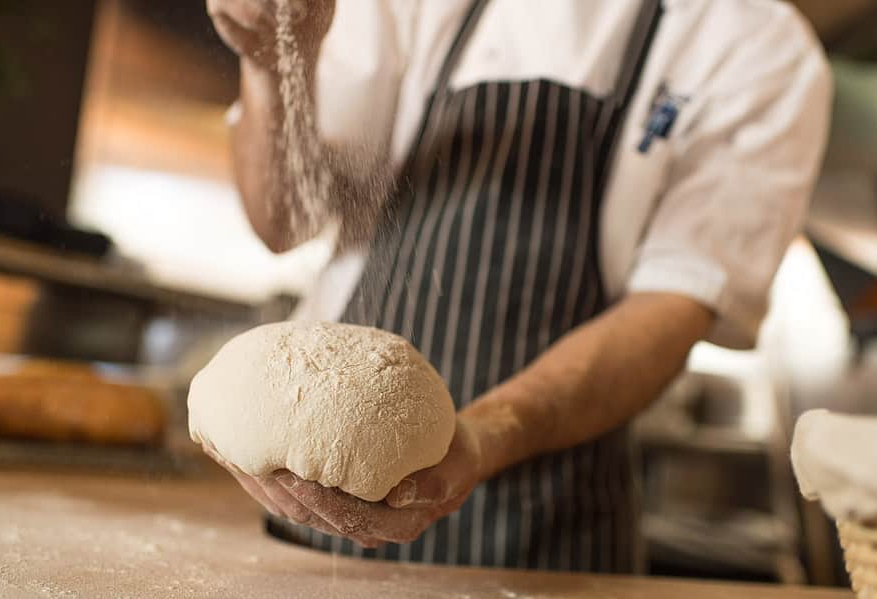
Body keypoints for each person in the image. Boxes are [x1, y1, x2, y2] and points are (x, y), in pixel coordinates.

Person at [204, 0, 831, 572]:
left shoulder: (755, 45)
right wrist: (271, 64)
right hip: (323, 507)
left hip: (549, 531)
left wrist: (486, 433)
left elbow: (669, 311)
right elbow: (287, 219)